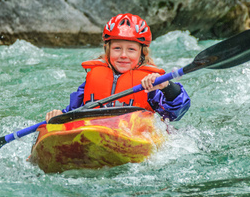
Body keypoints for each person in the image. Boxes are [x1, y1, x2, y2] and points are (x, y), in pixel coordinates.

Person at [46, 13, 190, 122]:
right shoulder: (94, 76)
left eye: (131, 49)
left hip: (135, 135)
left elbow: (176, 113)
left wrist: (165, 86)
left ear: (142, 52)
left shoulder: (150, 83)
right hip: (96, 132)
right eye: (117, 48)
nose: (123, 55)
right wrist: (59, 117)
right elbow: (74, 112)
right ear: (107, 49)